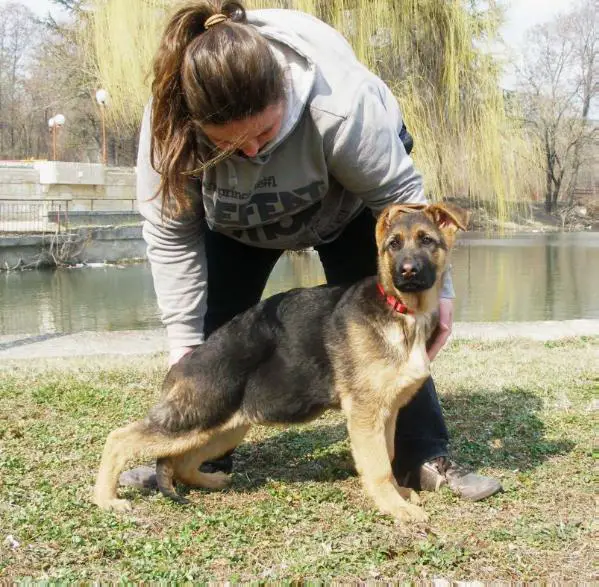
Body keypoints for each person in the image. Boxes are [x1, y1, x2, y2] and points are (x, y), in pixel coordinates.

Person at [123, 0, 502, 501]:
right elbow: (171, 232)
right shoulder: (170, 127)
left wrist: (442, 294)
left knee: (388, 334)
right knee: (215, 341)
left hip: (344, 210)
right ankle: (190, 454)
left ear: (283, 91)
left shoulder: (342, 104)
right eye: (230, 147)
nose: (253, 153)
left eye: (263, 132)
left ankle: (420, 458)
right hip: (235, 224)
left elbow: (403, 202)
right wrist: (182, 338)